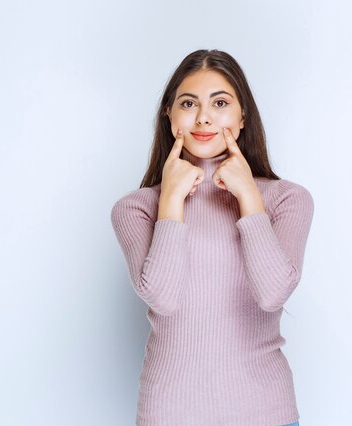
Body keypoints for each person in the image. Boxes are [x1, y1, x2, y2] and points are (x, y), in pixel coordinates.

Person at [110, 49, 314, 426]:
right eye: (189, 103)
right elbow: (163, 297)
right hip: (168, 414)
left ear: (242, 117)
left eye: (220, 102)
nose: (203, 116)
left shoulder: (286, 199)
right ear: (169, 115)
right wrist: (171, 199)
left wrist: (248, 197)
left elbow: (273, 294)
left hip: (266, 412)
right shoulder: (136, 208)